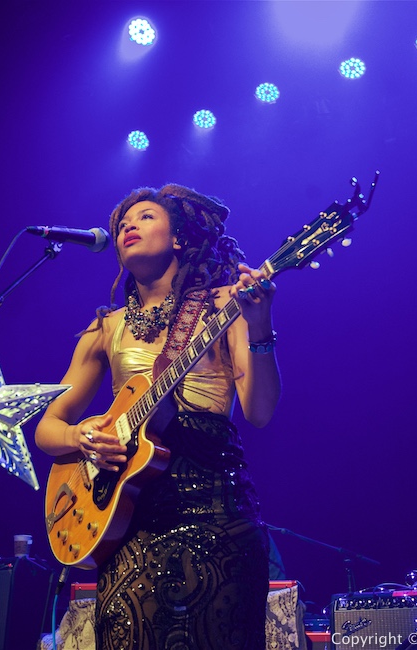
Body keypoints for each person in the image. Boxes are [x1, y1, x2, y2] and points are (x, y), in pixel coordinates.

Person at [35, 184, 280, 649]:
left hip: (216, 508)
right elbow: (48, 428)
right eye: (123, 223)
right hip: (131, 517)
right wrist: (81, 435)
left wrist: (261, 324)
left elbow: (260, 411)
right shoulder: (104, 327)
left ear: (179, 238)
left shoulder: (226, 305)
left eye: (146, 216)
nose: (129, 225)